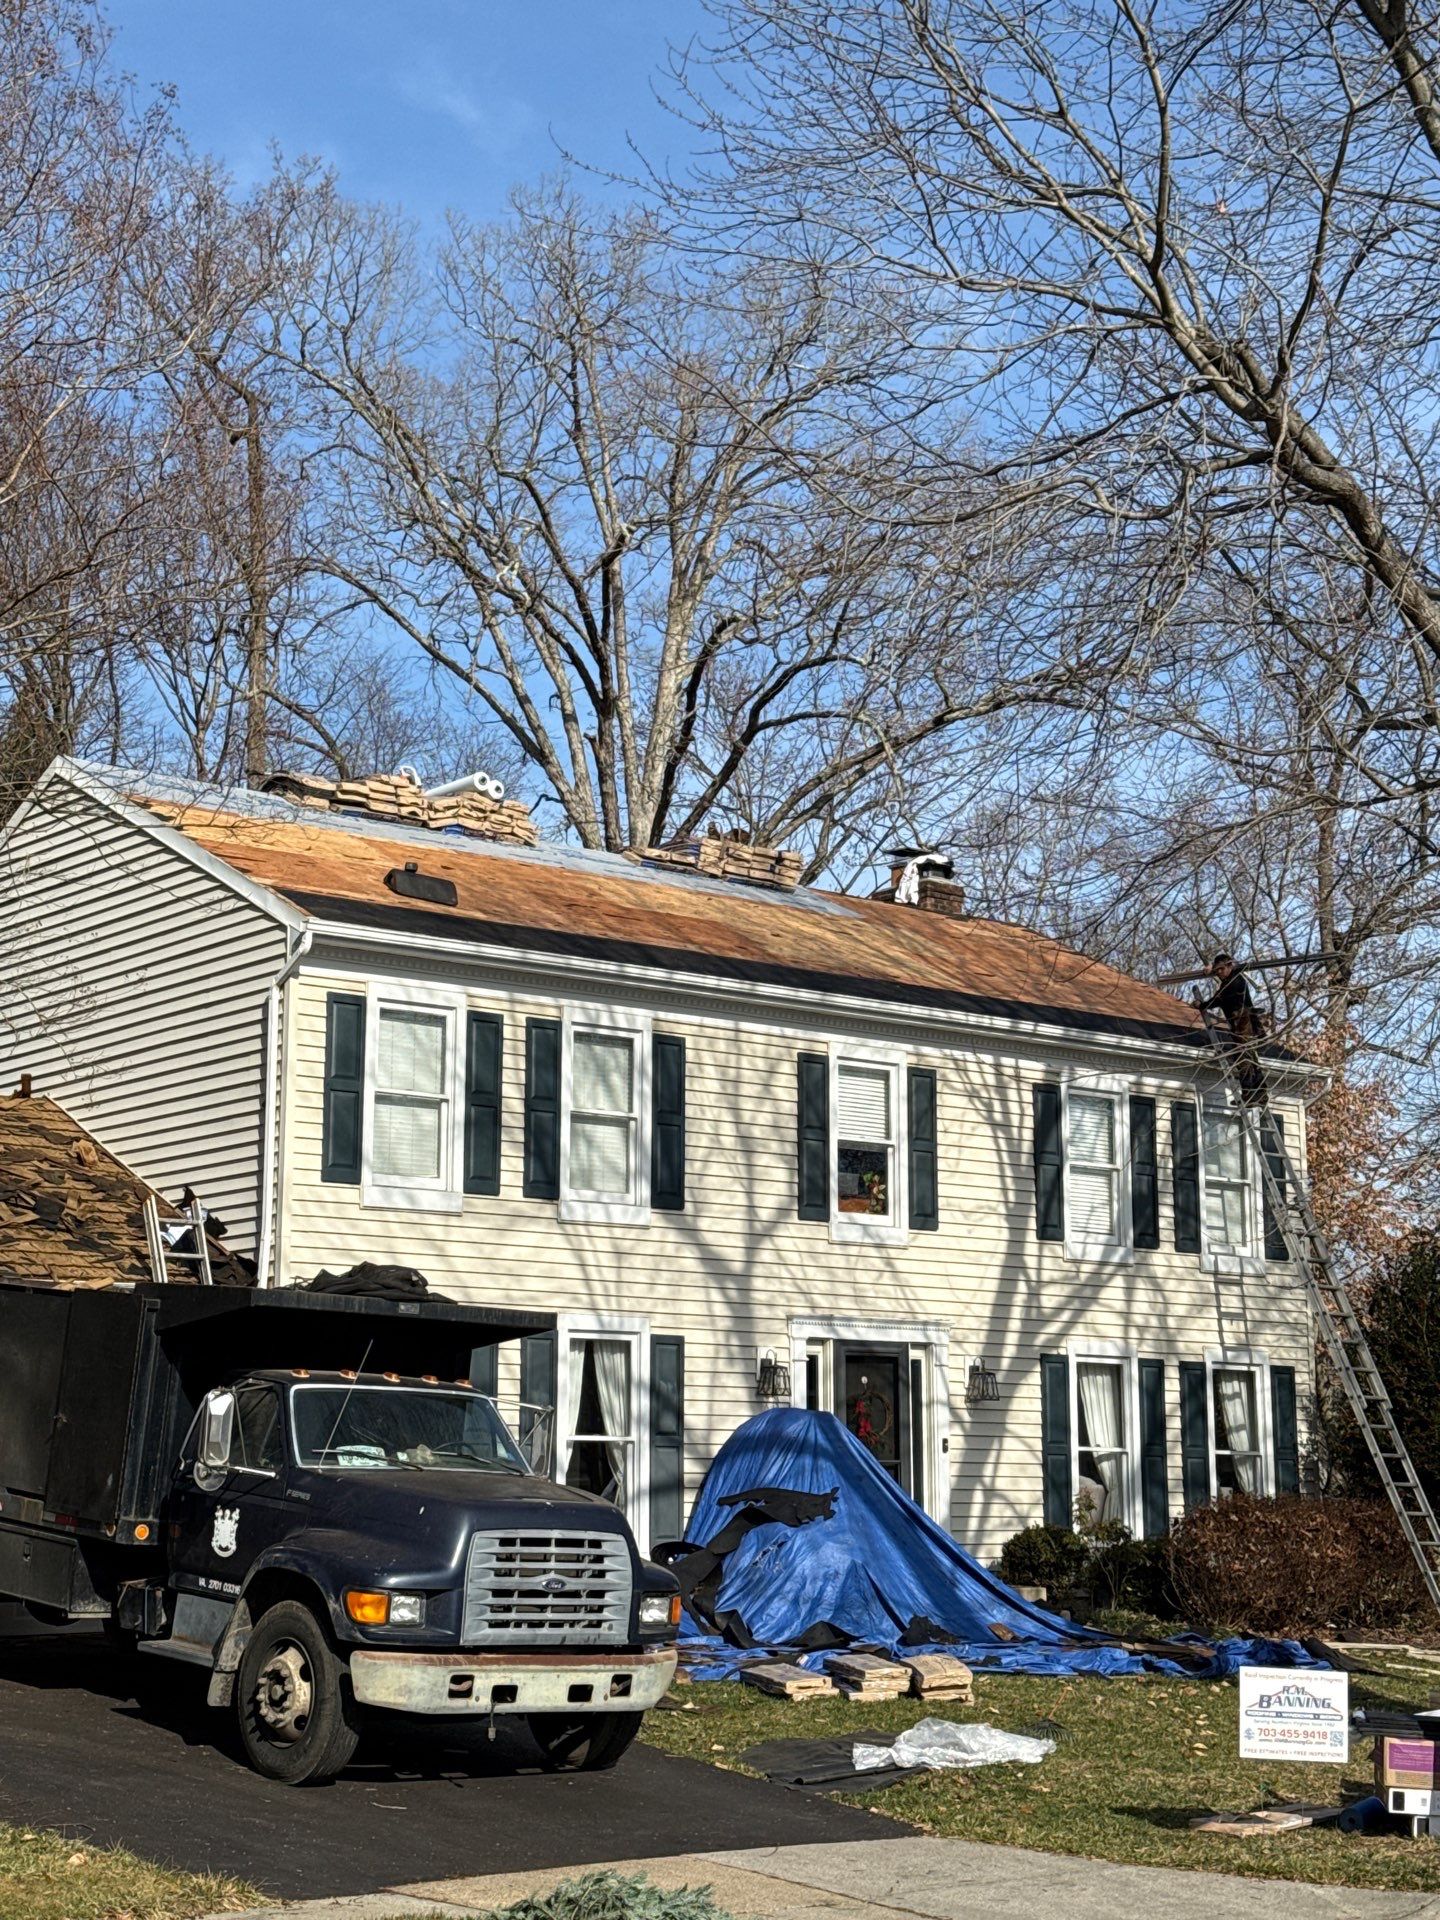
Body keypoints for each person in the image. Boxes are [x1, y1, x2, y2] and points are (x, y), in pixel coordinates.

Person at [1199, 954, 1268, 1105]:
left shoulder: (1235, 981)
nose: (1219, 973)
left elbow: (1218, 999)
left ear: (1230, 966)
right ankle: (1260, 1094)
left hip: (1244, 1025)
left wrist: (1202, 1005)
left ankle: (1250, 1094)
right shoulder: (1229, 980)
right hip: (1240, 1025)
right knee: (1249, 1057)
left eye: (1221, 969)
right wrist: (1211, 969)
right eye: (1216, 971)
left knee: (1244, 1058)